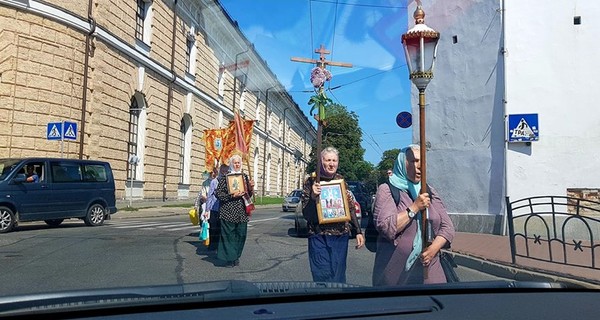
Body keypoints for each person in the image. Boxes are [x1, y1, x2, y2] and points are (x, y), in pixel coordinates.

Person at [372, 144, 455, 286]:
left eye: (422, 162)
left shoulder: (429, 190)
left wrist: (432, 249)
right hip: (396, 273)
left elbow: (447, 227)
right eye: (414, 161)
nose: (419, 166)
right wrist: (414, 207)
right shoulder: (387, 190)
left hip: (430, 270)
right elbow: (386, 227)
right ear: (403, 164)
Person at [300, 146, 364, 283]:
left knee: (338, 273)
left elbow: (350, 207)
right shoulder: (311, 182)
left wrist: (358, 231)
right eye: (328, 160)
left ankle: (337, 301)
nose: (331, 164)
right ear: (321, 162)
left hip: (340, 235)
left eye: (334, 160)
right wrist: (312, 196)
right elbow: (307, 214)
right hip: (319, 235)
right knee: (321, 273)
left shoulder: (341, 181)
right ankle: (323, 300)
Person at [215, 154, 254, 267]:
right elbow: (218, 194)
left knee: (241, 235)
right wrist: (232, 195)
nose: (237, 165)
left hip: (242, 212)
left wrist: (251, 187)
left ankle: (236, 256)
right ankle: (229, 259)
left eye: (239, 163)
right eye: (235, 163)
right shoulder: (225, 177)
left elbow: (248, 195)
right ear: (231, 164)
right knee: (229, 236)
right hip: (228, 211)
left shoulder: (245, 177)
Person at [204, 163, 229, 251]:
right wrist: (207, 210)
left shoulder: (229, 181)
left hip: (225, 209)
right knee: (213, 227)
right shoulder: (214, 181)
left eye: (226, 170)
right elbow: (210, 195)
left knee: (222, 229)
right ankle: (212, 246)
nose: (224, 172)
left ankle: (219, 246)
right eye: (223, 170)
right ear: (220, 170)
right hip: (215, 208)